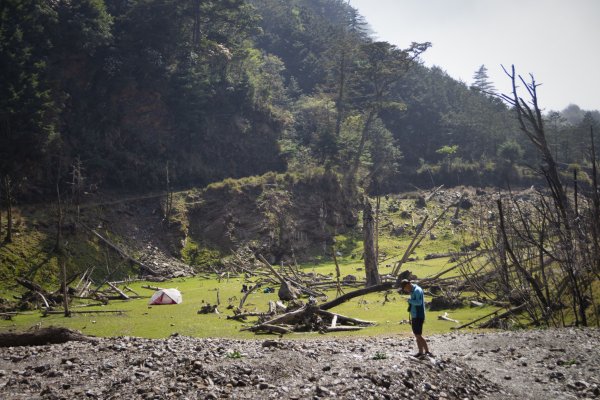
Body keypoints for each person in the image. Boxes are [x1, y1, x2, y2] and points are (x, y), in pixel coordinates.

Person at [400, 279, 432, 358]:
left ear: (408, 285)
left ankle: (427, 351)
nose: (406, 290)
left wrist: (410, 300)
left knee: (418, 335)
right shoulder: (414, 289)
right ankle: (420, 352)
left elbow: (419, 302)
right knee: (417, 335)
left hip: (418, 315)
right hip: (415, 315)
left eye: (405, 288)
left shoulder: (417, 290)